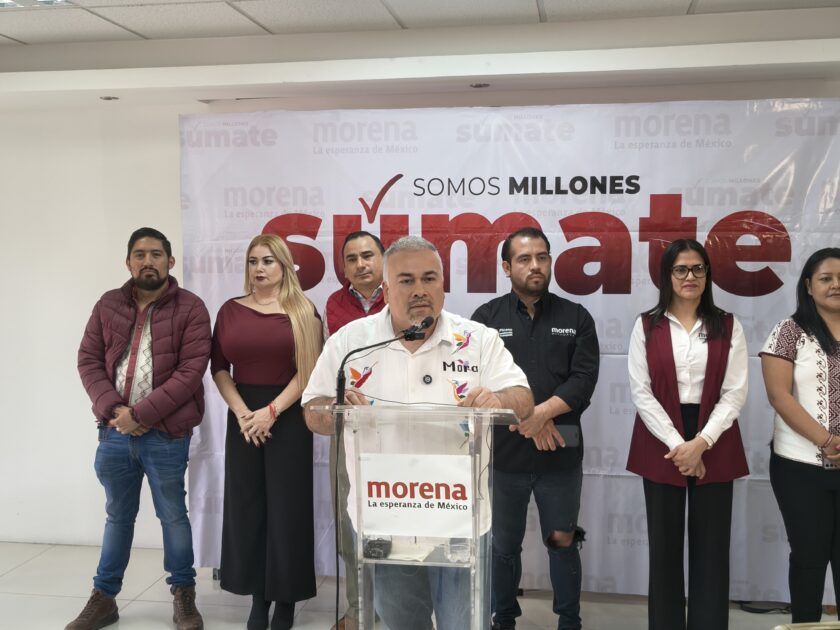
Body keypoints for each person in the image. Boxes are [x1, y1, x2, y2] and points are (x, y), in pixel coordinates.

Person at [302, 235, 533, 630]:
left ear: (443, 283)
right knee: (402, 622)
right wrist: (339, 412)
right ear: (386, 287)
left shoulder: (477, 340)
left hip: (458, 520)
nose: (420, 290)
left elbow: (523, 399)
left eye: (429, 278)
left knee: (462, 624)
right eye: (406, 280)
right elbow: (312, 410)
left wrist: (497, 399)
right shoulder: (351, 343)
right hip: (385, 517)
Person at [71, 227, 211, 630]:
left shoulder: (191, 307)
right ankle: (104, 598)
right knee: (117, 517)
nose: (147, 261)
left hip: (166, 434)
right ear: (128, 262)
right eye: (139, 254)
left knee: (173, 516)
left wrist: (142, 415)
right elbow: (88, 360)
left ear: (170, 261)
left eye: (156, 254)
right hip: (114, 432)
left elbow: (190, 372)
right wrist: (116, 410)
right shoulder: (108, 304)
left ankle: (183, 595)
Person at [472, 227, 599, 630]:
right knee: (503, 547)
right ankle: (504, 619)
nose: (535, 266)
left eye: (542, 257)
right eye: (524, 259)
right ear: (506, 267)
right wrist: (526, 422)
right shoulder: (485, 320)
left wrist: (539, 414)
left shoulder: (576, 317)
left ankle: (570, 621)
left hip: (560, 455)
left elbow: (583, 381)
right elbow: (478, 386)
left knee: (562, 543)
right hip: (503, 459)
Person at [626, 238, 749, 630]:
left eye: (698, 268)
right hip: (661, 439)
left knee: (711, 549)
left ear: (707, 274)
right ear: (667, 275)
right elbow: (641, 392)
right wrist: (680, 445)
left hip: (715, 436)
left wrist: (702, 442)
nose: (690, 276)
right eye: (680, 269)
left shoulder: (728, 325)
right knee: (664, 549)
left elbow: (735, 392)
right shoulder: (647, 325)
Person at [210, 234, 323, 630]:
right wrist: (243, 413)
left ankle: (286, 599)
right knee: (248, 507)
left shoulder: (303, 310)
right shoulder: (229, 310)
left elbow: (309, 371)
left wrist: (271, 412)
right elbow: (219, 367)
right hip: (243, 417)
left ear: (284, 266)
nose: (259, 268)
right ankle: (259, 598)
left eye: (268, 261)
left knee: (287, 510)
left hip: (287, 417)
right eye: (253, 261)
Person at [761, 247, 840, 623]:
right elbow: (779, 396)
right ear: (808, 286)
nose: (836, 285)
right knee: (809, 557)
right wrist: (829, 441)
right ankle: (805, 626)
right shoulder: (789, 331)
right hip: (799, 467)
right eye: (826, 278)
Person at [323, 230, 386, 630]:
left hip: (396, 426)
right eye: (352, 258)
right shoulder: (334, 304)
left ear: (383, 259)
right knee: (350, 522)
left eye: (368, 255)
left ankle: (397, 610)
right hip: (348, 425)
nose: (360, 264)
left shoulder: (402, 294)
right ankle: (358, 610)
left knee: (395, 520)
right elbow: (333, 364)